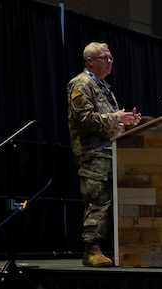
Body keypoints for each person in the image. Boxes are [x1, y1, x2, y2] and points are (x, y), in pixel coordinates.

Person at [67, 42, 142, 267]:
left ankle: (111, 248)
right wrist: (117, 118)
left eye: (110, 58)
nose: (109, 62)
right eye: (103, 58)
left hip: (111, 154)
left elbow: (109, 123)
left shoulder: (103, 86)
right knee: (97, 201)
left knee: (110, 203)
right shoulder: (81, 84)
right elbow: (85, 120)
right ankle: (91, 250)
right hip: (93, 154)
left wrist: (127, 123)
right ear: (90, 61)